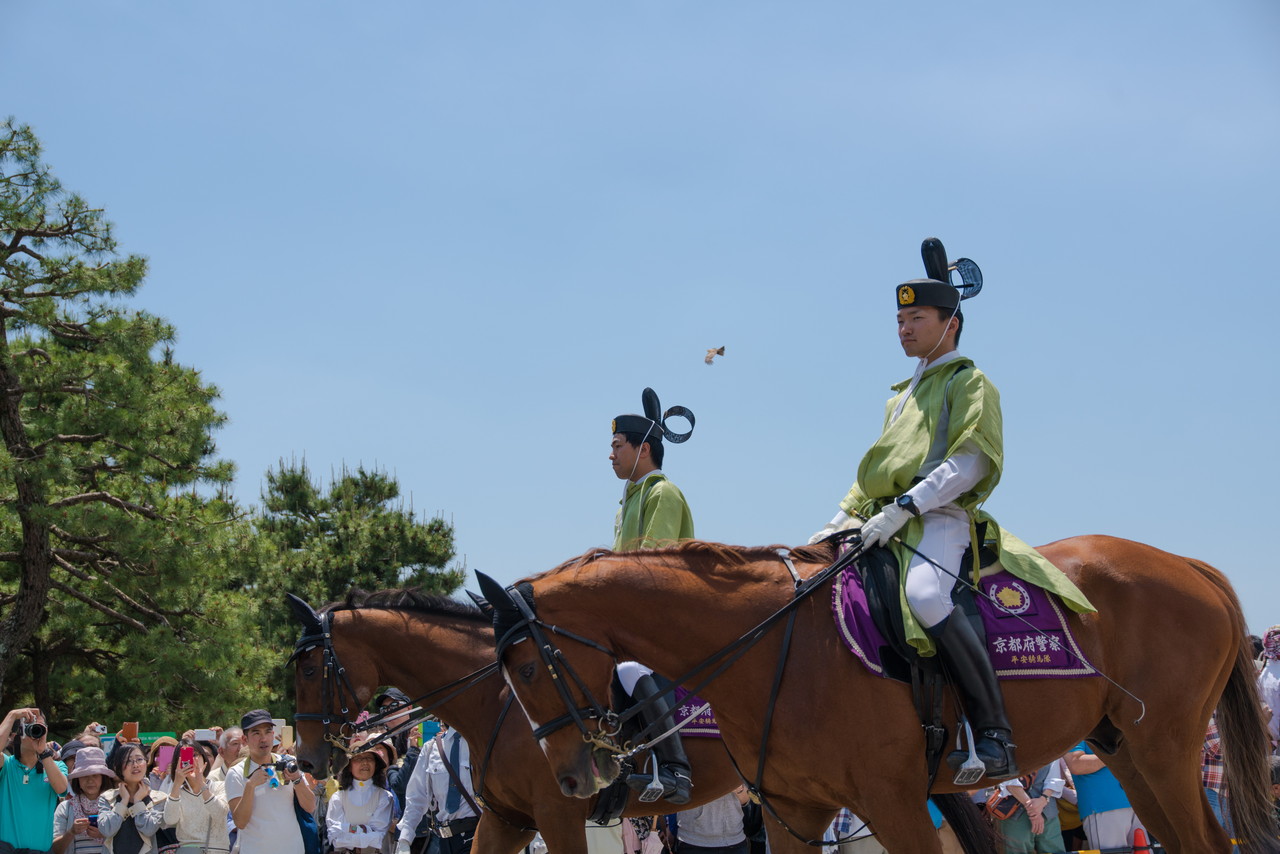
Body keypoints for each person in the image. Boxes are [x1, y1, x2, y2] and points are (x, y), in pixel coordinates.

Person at [809, 240, 1093, 780]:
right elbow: (872, 471)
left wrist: (906, 506)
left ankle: (993, 732)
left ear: (951, 323)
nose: (903, 328)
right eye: (899, 319)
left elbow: (970, 461)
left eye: (916, 318)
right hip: (886, 517)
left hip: (938, 518)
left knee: (925, 593)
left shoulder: (971, 382)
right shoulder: (900, 395)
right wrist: (835, 523)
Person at [610, 387, 697, 804]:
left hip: (662, 620)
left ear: (643, 449)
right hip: (631, 617)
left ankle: (677, 769)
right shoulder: (628, 500)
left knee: (628, 669)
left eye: (616, 445)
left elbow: (652, 571)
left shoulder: (663, 493)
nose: (610, 454)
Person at [224, 708, 317, 854]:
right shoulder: (236, 773)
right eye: (256, 733)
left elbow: (310, 807)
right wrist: (250, 785)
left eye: (268, 732)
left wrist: (297, 780)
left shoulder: (289, 763)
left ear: (273, 735)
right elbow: (240, 822)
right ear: (245, 739)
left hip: (293, 849)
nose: (264, 738)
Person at [395, 724, 477, 854]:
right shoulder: (431, 748)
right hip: (445, 839)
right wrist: (405, 839)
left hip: (478, 835)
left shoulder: (480, 745)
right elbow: (416, 796)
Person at [1, 706, 71, 853]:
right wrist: (12, 715)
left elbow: (62, 790)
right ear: (15, 735)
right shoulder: (6, 765)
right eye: (28, 726)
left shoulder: (56, 766)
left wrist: (43, 752)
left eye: (39, 726)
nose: (34, 731)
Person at [1064, 741, 1144, 851]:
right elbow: (1076, 764)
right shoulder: (1078, 729)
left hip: (1138, 805)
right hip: (1103, 806)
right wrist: (1116, 755)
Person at [328, 734, 397, 854]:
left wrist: (348, 829)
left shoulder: (384, 797)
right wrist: (365, 831)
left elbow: (378, 837)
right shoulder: (338, 797)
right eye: (359, 758)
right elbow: (335, 837)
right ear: (349, 766)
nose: (365, 763)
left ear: (376, 765)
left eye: (369, 759)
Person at [161, 737, 231, 853]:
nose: (191, 760)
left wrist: (201, 783)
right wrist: (177, 783)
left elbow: (220, 813)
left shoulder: (220, 786)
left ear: (204, 759)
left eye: (195, 755)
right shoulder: (177, 792)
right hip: (188, 850)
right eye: (184, 756)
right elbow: (170, 820)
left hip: (217, 850)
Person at [97, 742, 164, 854]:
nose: (135, 765)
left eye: (139, 759)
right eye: (128, 761)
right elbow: (106, 830)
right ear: (118, 767)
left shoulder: (158, 798)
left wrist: (138, 801)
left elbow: (148, 829)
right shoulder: (107, 798)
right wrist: (123, 802)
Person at [991, 760, 1068, 853]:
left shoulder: (1052, 746)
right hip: (1014, 814)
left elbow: (1054, 779)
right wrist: (1034, 808)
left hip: (1047, 813)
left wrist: (1042, 800)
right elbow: (1008, 783)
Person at [54, 746, 113, 854]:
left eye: (95, 775)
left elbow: (127, 842)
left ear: (103, 777)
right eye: (84, 776)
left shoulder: (115, 805)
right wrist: (71, 832)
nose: (90, 780)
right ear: (78, 779)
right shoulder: (65, 808)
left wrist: (105, 834)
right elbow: (55, 850)